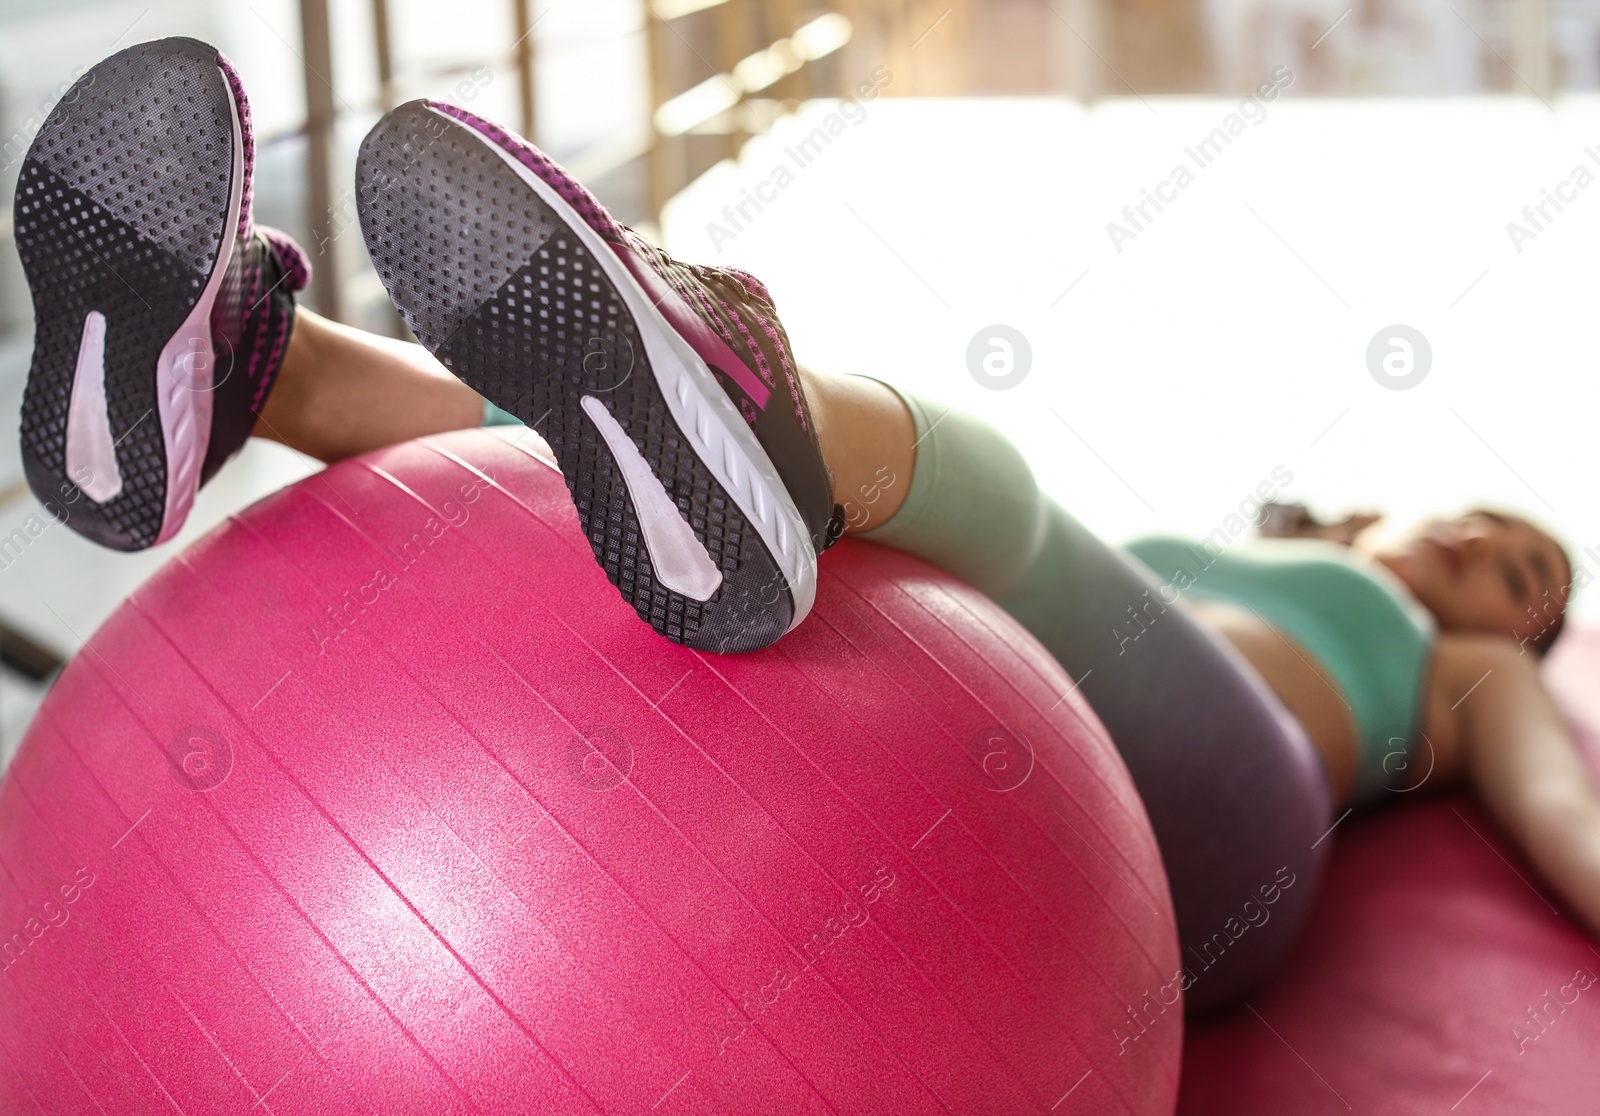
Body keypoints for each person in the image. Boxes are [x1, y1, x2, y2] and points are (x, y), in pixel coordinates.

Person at [13, 38, 1587, 1013]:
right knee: (727, 504)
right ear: (1406, 499)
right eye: (1504, 534)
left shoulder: (1469, 669)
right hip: (1019, 716)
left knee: (993, 501)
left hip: (1211, 841)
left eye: (1533, 587)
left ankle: (753, 404)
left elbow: (1565, 822)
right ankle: (256, 364)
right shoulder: (1229, 543)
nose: (1498, 576)